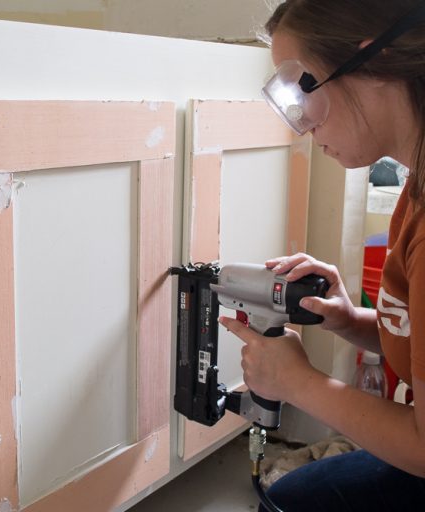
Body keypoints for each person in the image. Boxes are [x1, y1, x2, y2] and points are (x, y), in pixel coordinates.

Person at [221, 1, 425, 510]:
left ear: (374, 64)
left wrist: (297, 382)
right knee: (295, 497)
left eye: (301, 88)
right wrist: (348, 320)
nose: (303, 123)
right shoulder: (416, 188)